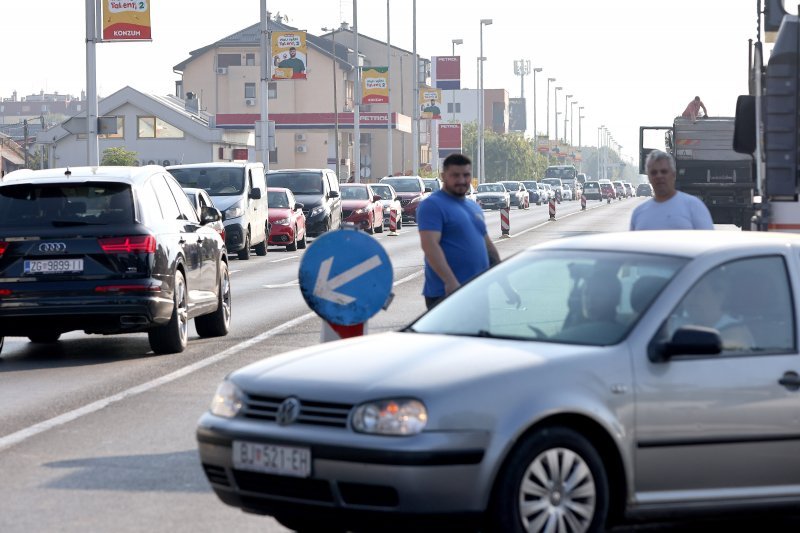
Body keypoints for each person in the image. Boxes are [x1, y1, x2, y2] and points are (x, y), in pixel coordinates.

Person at [417, 153, 501, 310]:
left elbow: (488, 248)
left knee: (477, 334)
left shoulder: (473, 207)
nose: (462, 180)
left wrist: (506, 286)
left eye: (466, 175)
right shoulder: (432, 205)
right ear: (443, 176)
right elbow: (430, 246)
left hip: (477, 291)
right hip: (446, 293)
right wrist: (450, 282)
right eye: (455, 175)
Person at [630, 150, 714, 230]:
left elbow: (708, 242)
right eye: (654, 172)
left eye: (664, 171)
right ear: (648, 176)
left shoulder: (694, 207)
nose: (659, 176)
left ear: (674, 175)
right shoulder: (639, 214)